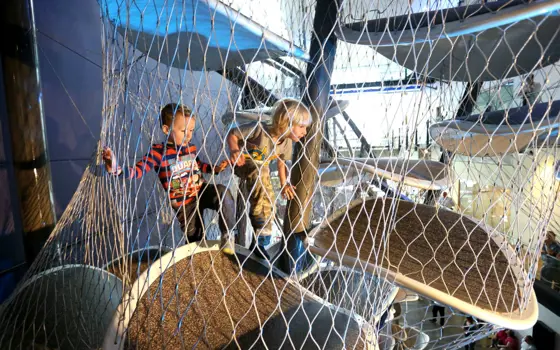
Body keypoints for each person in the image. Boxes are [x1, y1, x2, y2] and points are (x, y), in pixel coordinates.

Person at [103, 103, 235, 254]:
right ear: (166, 129)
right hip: (185, 205)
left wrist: (215, 169)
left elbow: (199, 165)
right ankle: (197, 261)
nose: (189, 135)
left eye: (191, 130)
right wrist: (115, 169)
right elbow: (137, 171)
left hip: (201, 190)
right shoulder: (158, 152)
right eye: (184, 130)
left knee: (223, 192)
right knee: (196, 240)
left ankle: (228, 234)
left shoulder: (190, 147)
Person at [226, 98, 311, 260]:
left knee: (270, 199)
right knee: (261, 172)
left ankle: (260, 240)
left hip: (260, 172)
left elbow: (281, 164)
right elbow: (233, 133)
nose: (304, 132)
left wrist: (284, 183)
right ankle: (259, 221)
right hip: (243, 164)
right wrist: (234, 150)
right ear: (286, 122)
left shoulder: (285, 143)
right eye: (301, 127)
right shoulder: (259, 129)